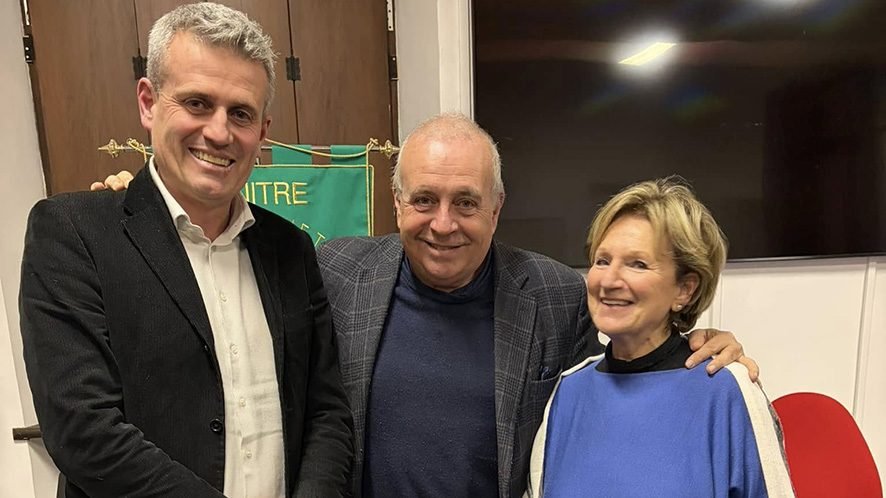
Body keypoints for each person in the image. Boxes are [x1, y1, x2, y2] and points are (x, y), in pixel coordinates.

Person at [94, 113, 756, 498]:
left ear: (496, 207)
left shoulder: (554, 294)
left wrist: (704, 342)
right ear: (396, 202)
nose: (444, 224)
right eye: (424, 200)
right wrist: (152, 214)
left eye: (466, 202)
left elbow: (626, 360)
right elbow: (226, 280)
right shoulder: (338, 270)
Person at [20, 4, 352, 498]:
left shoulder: (291, 249)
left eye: (241, 113)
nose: (219, 132)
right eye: (197, 103)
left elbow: (326, 412)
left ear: (262, 132)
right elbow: (83, 430)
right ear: (148, 103)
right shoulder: (73, 233)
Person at [525, 177, 793, 497]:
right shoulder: (567, 392)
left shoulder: (726, 391)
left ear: (684, 289)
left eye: (637, 264)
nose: (609, 280)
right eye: (602, 260)